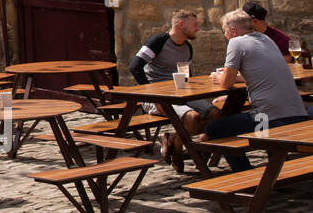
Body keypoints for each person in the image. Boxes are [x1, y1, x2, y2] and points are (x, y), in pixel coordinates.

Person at [204, 9, 311, 172]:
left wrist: (218, 77)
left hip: (270, 119)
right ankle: (276, 170)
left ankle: (247, 176)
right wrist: (237, 77)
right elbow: (262, 73)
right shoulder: (266, 39)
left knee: (215, 129)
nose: (225, 35)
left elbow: (226, 83)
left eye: (224, 31)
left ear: (232, 30)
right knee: (258, 126)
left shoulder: (236, 42)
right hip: (298, 113)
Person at [128, 9, 217, 170]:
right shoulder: (158, 41)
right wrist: (154, 94)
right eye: (194, 25)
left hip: (180, 93)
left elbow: (186, 75)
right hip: (157, 96)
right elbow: (135, 67)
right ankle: (179, 150)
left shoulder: (187, 47)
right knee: (192, 117)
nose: (198, 28)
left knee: (215, 114)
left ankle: (175, 141)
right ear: (181, 24)